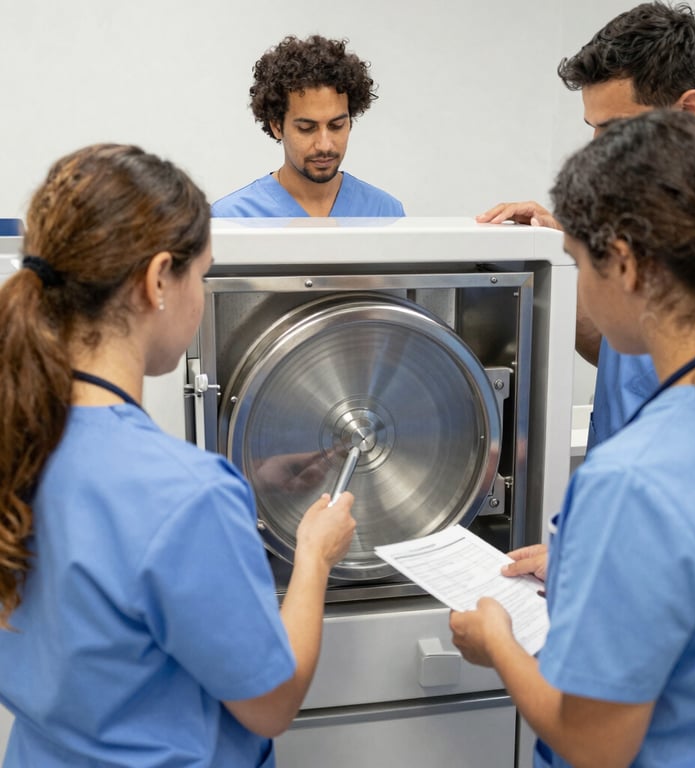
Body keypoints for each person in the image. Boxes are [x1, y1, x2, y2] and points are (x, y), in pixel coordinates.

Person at [0, 143, 356, 767]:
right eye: (204, 274)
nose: (201, 294)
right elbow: (271, 705)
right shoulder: (186, 494)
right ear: (158, 278)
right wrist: (315, 556)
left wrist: (243, 488)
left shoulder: (18, 440)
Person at [452, 109, 695, 767]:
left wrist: (498, 643)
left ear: (623, 264)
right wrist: (583, 565)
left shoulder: (637, 479)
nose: (581, 292)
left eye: (575, 265)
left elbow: (595, 744)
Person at [478, 1, 695, 454]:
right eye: (592, 128)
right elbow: (622, 356)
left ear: (688, 110)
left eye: (615, 129)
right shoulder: (628, 225)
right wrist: (570, 260)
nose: (596, 150)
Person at [212, 34, 404, 218]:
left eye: (336, 125)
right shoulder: (232, 218)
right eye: (306, 128)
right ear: (277, 126)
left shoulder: (384, 212)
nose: (324, 145)